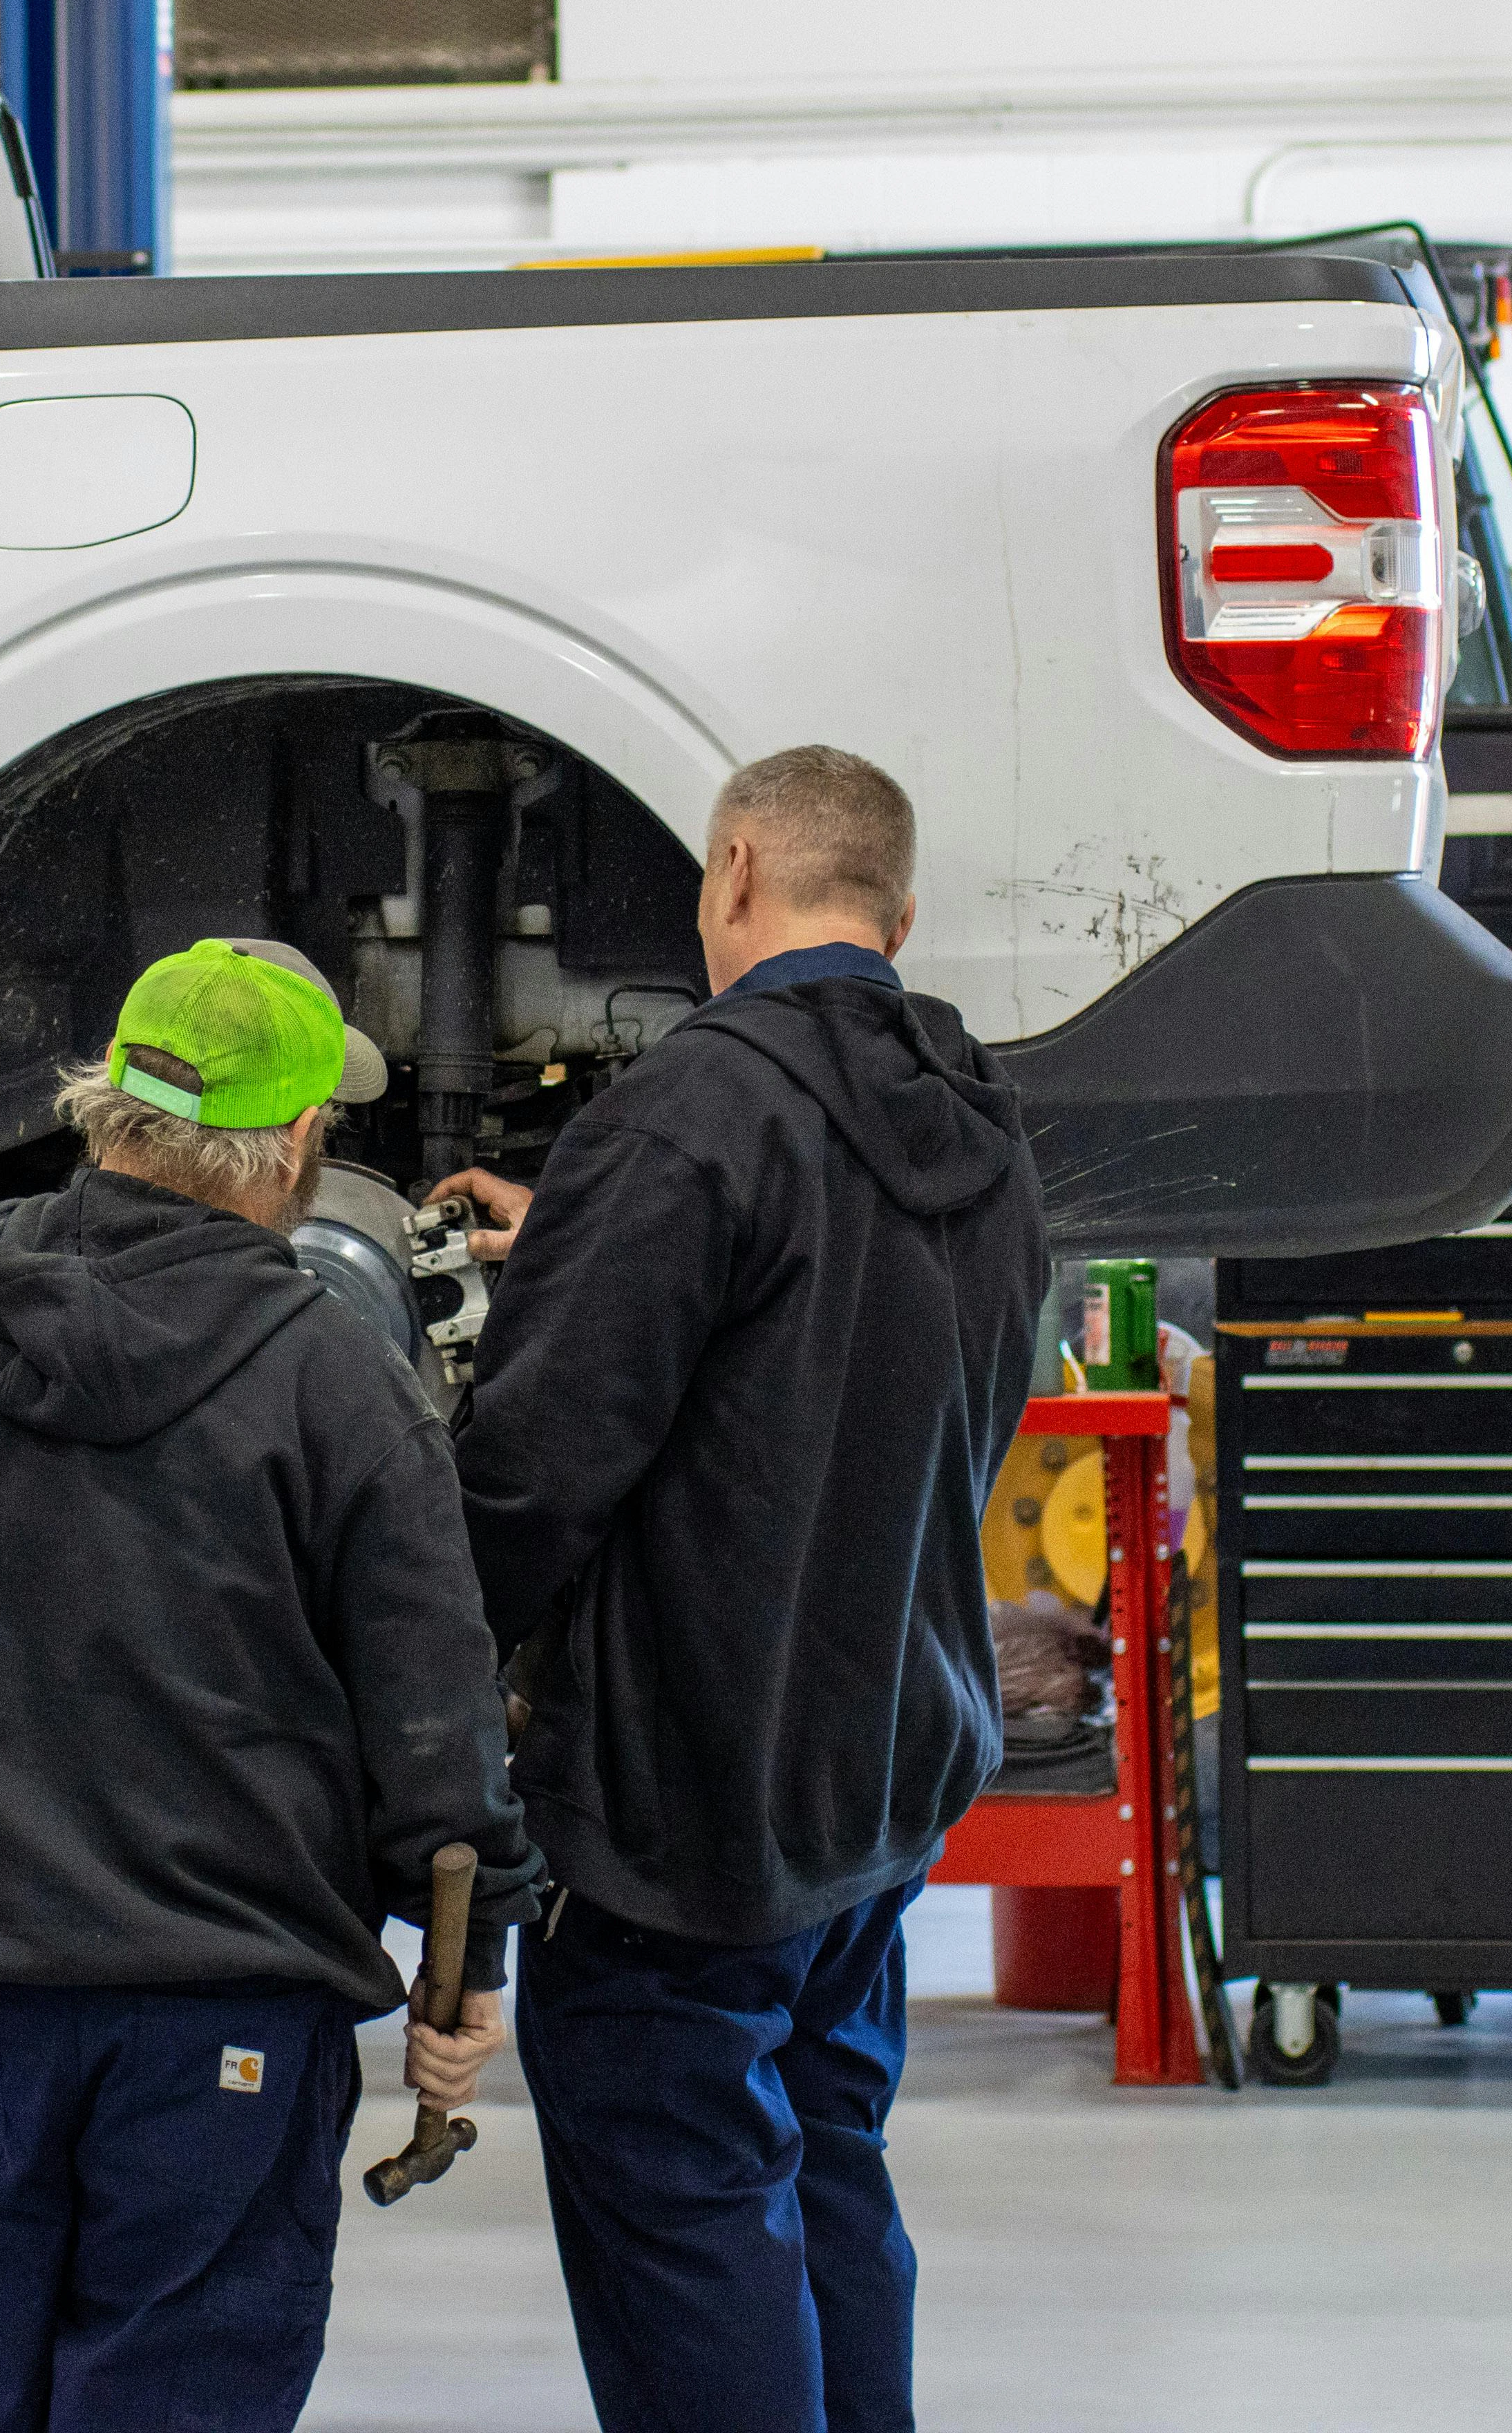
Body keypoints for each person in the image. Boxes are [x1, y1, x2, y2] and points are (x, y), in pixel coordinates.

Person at [0, 936, 540, 2433]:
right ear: (297, 1141)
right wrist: (464, 1968)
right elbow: (433, 1713)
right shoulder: (339, 1377)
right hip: (228, 2018)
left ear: (107, 1099)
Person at [440, 745, 1052, 2433]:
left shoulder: (683, 1118)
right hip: (881, 1785)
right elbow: (844, 1332)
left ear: (730, 872)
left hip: (686, 1806)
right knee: (827, 2155)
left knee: (689, 2204)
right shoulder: (985, 1126)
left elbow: (531, 1475)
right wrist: (589, 1233)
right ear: (897, 920)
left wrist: (411, 1681)